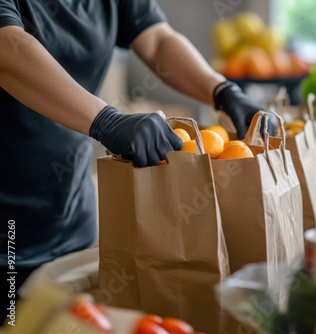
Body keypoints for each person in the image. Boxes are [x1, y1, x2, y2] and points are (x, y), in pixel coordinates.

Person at [0, 0, 272, 317]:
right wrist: (107, 121)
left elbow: (156, 41)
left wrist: (223, 91)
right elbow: (7, 48)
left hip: (70, 218)